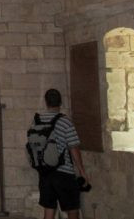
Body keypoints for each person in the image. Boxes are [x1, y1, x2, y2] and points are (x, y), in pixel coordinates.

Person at [35, 89, 89, 219]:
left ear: (46, 102)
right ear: (60, 102)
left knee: (49, 209)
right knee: (73, 209)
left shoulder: (37, 121)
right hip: (63, 173)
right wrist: (82, 171)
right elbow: (73, 148)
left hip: (45, 174)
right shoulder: (65, 122)